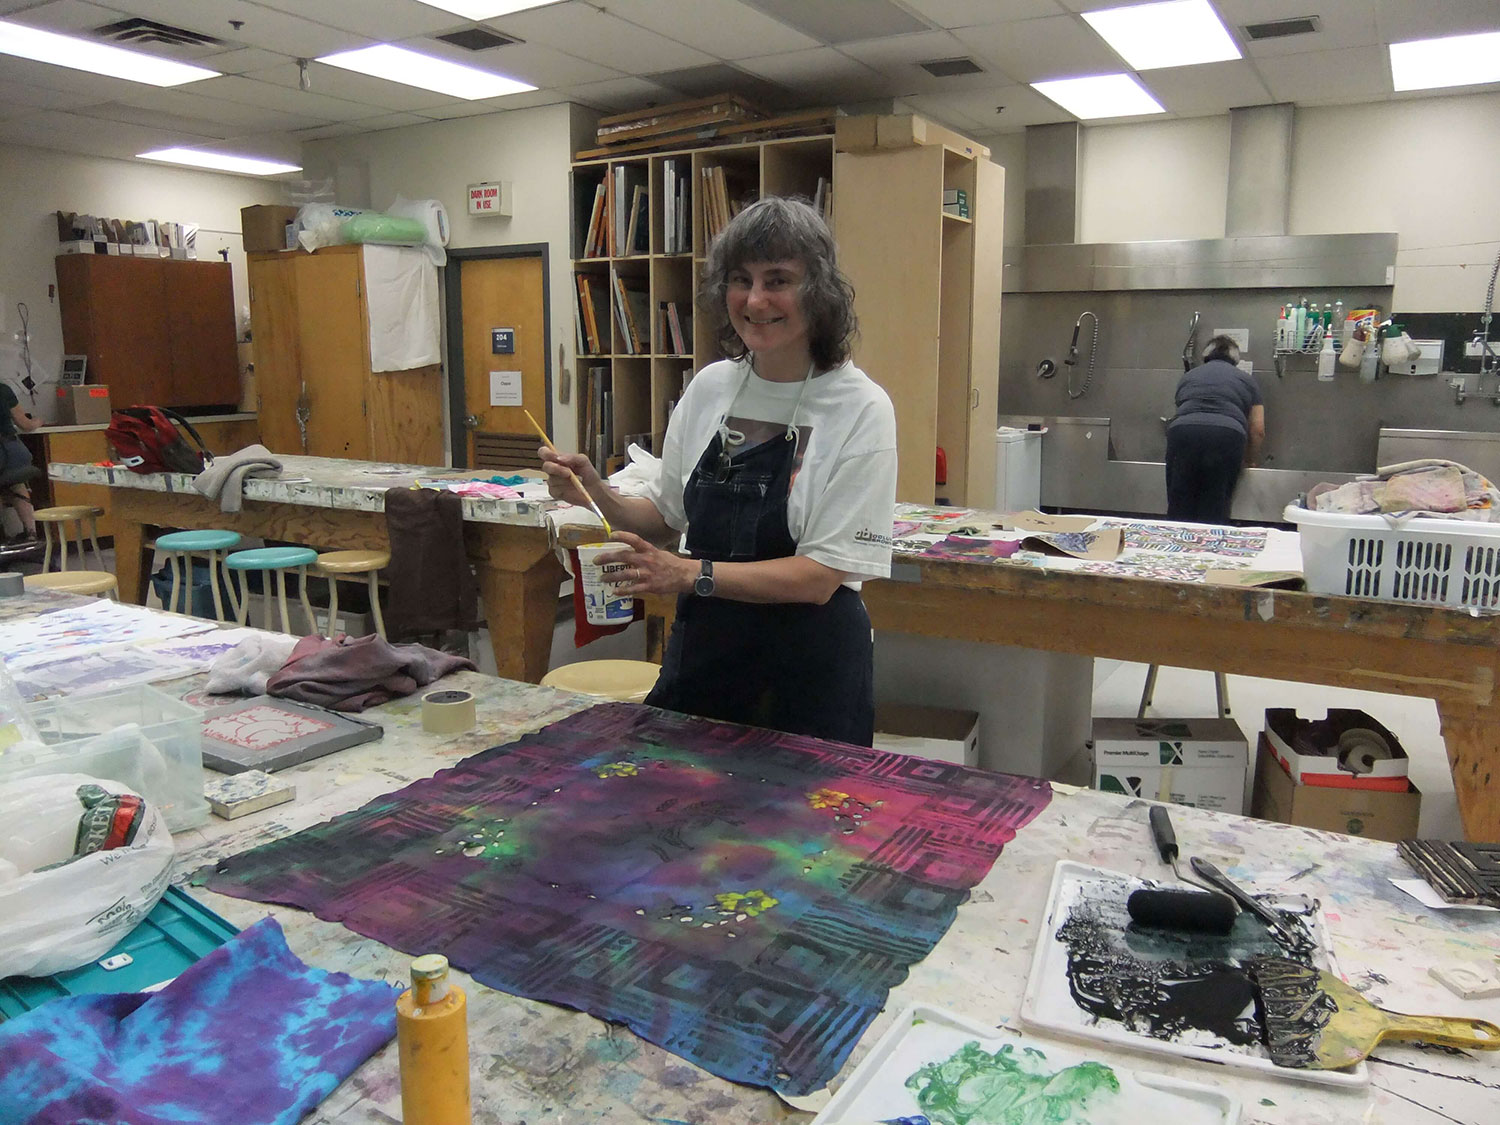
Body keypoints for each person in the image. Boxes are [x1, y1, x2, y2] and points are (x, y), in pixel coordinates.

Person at [540, 196, 897, 746]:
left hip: (808, 670)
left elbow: (820, 577)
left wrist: (689, 574)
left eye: (778, 280)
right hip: (706, 653)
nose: (755, 300)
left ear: (818, 291)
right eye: (740, 280)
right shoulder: (710, 387)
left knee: (798, 804)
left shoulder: (860, 407)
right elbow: (666, 517)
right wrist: (593, 493)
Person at [1165, 335, 1264, 525]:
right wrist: (1250, 460)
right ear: (1235, 360)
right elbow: (1258, 429)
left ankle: (1176, 542)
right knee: (1214, 506)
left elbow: (1180, 412)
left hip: (1183, 434)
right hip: (1226, 437)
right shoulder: (1247, 380)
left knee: (1179, 506)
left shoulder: (1188, 377)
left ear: (1206, 356)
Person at [0, 379, 40, 547]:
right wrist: (38, 421)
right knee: (17, 483)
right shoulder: (3, 390)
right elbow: (25, 425)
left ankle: (2, 536)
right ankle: (31, 533)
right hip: (12, 452)